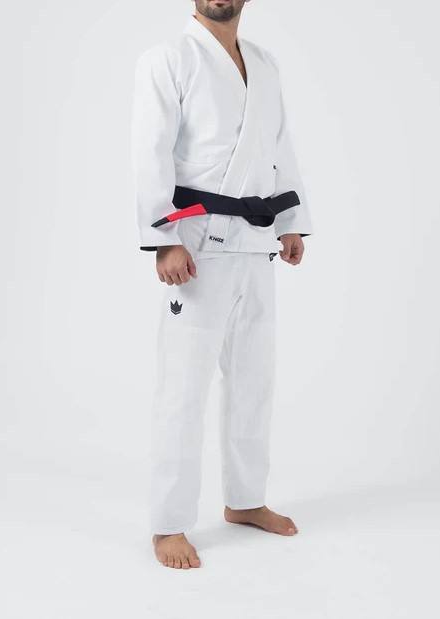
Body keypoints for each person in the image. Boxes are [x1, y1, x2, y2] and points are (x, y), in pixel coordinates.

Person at [131, 0, 313, 569]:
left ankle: (245, 499)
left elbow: (279, 146)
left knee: (254, 380)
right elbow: (150, 151)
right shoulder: (168, 59)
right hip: (198, 247)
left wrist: (290, 222)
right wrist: (163, 237)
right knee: (183, 389)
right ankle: (169, 523)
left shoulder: (264, 63)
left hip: (256, 243)